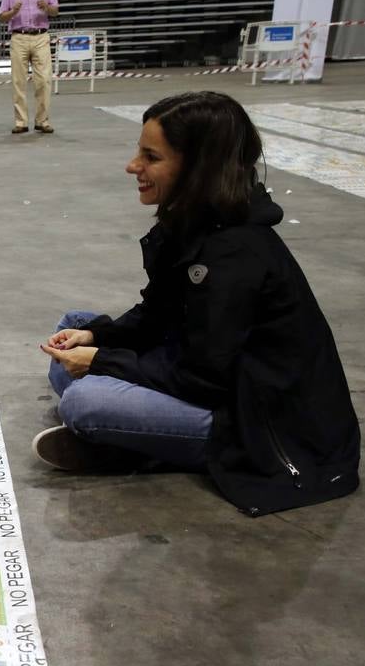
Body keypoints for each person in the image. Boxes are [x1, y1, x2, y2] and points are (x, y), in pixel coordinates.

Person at [36, 92, 358, 515]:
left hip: (254, 419)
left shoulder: (234, 254)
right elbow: (158, 310)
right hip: (208, 367)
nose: (133, 166)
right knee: (74, 323)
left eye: (151, 157)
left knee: (84, 402)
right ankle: (128, 432)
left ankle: (138, 445)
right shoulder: (195, 220)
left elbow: (202, 379)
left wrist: (99, 362)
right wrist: (95, 336)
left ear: (197, 168)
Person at [0, 0, 59, 134]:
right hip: (19, 36)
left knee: (44, 81)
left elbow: (56, 11)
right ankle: (21, 122)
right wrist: (12, 11)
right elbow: (1, 16)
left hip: (41, 36)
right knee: (18, 81)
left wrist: (47, 8)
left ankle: (42, 121)